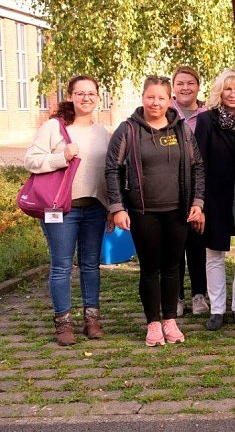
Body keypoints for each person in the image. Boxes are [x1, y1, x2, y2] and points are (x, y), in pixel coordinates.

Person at [105, 76, 205, 346]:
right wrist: (117, 208)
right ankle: (152, 323)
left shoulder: (182, 131)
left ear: (169, 99)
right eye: (151, 97)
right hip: (143, 211)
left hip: (178, 211)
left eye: (161, 97)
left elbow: (198, 168)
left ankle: (170, 321)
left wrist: (197, 202)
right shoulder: (128, 130)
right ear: (142, 97)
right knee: (150, 269)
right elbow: (113, 169)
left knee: (173, 267)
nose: (155, 103)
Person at [24, 75, 111, 346]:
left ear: (98, 97)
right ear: (71, 96)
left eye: (91, 94)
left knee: (90, 266)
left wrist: (110, 208)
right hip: (61, 209)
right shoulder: (54, 127)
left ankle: (92, 319)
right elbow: (31, 160)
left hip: (94, 209)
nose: (86, 98)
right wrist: (61, 157)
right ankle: (63, 323)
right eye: (80, 93)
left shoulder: (102, 133)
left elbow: (106, 175)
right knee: (62, 266)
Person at [194, 68, 235, 331]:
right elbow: (199, 161)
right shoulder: (207, 120)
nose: (233, 94)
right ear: (219, 91)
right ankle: (218, 308)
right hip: (216, 194)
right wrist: (199, 200)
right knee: (214, 254)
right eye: (228, 89)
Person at [170, 65, 208, 317]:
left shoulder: (207, 114)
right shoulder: (165, 111)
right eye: (181, 83)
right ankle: (176, 297)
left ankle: (199, 294)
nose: (185, 88)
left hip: (199, 187)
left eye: (190, 83)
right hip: (170, 189)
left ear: (198, 86)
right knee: (174, 246)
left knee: (197, 243)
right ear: (173, 87)